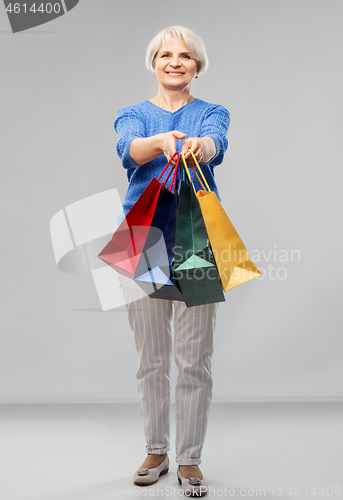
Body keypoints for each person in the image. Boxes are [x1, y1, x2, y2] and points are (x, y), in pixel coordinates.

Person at [113, 26, 230, 497]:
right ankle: (156, 450)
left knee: (194, 361)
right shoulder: (133, 114)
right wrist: (162, 142)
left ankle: (190, 460)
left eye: (185, 55)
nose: (174, 62)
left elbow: (216, 142)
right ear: (154, 63)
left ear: (196, 65)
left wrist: (199, 146)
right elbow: (129, 149)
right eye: (165, 55)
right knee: (151, 360)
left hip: (197, 241)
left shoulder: (211, 113)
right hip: (140, 239)